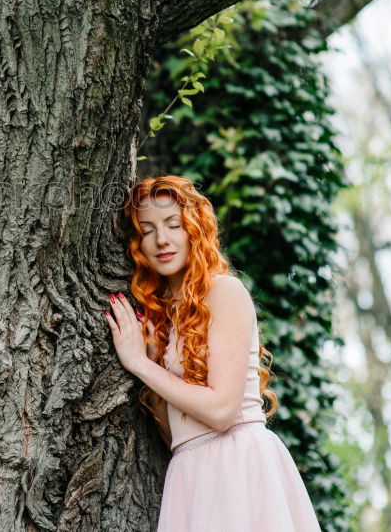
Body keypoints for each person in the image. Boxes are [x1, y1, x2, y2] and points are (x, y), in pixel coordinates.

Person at [103, 176, 321, 531]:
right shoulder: (163, 316)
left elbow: (221, 412)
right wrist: (152, 354)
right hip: (190, 471)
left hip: (238, 466)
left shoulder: (224, 292)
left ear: (194, 229)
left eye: (173, 224)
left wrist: (140, 364)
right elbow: (178, 435)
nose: (162, 239)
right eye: (147, 230)